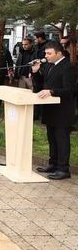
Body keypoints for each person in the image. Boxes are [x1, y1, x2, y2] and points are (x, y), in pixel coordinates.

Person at [32, 41, 76, 180]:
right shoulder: (50, 66)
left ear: (59, 53)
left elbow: (70, 90)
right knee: (52, 138)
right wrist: (36, 71)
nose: (46, 56)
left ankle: (63, 169)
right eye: (46, 53)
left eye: (49, 53)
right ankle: (53, 163)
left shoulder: (68, 67)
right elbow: (41, 86)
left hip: (62, 110)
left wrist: (52, 91)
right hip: (50, 109)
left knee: (62, 139)